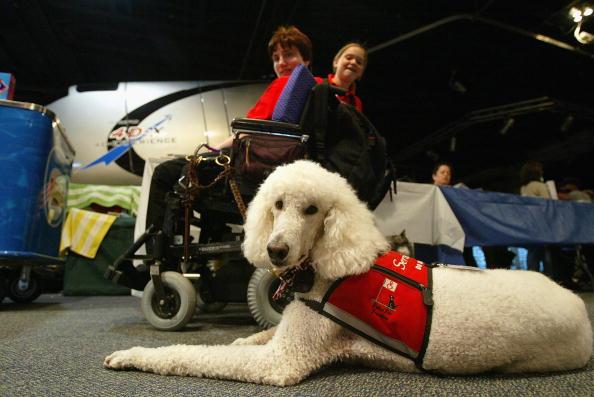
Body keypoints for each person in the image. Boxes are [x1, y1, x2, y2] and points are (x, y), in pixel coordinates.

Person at [146, 25, 318, 233]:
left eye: (288, 55)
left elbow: (245, 131)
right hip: (282, 167)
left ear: (306, 59)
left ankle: (158, 251)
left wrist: (213, 150)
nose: (281, 63)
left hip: (253, 170)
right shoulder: (317, 88)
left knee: (165, 172)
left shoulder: (284, 84)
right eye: (276, 58)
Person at [327, 42, 367, 112]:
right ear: (336, 62)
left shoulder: (357, 103)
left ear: (361, 72)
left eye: (359, 62)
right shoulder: (316, 82)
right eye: (349, 58)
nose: (354, 62)